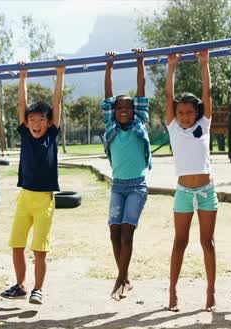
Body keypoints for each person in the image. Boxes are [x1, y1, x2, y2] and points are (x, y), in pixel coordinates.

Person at [0, 59, 65, 305]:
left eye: (41, 120)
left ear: (48, 122)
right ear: (26, 122)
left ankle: (38, 289)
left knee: (40, 250)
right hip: (24, 198)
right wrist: (22, 75)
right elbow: (21, 104)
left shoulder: (52, 135)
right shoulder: (25, 134)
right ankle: (20, 286)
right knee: (16, 245)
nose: (36, 124)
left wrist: (60, 74)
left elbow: (56, 102)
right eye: (32, 120)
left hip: (44, 200)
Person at [165, 49, 218, 312]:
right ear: (176, 114)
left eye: (189, 112)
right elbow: (167, 97)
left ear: (196, 113)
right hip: (184, 191)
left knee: (207, 242)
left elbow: (207, 95)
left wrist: (204, 64)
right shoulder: (173, 128)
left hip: (207, 191)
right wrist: (171, 67)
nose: (185, 116)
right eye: (181, 112)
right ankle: (172, 291)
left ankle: (210, 292)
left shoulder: (204, 125)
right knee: (180, 242)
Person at [101, 49, 151, 301]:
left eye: (127, 107)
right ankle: (125, 276)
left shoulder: (139, 122)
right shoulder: (111, 127)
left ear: (134, 110)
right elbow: (108, 95)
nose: (123, 110)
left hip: (137, 187)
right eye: (119, 107)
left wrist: (140, 61)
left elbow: (141, 91)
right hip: (117, 186)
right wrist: (109, 65)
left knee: (126, 233)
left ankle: (120, 280)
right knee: (113, 232)